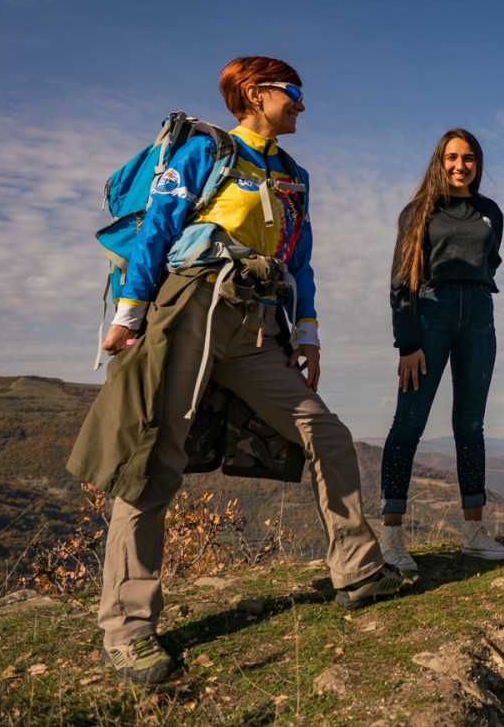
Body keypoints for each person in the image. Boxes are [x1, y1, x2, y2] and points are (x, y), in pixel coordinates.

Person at [71, 56, 404, 686]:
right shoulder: (205, 150)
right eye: (292, 91)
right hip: (191, 309)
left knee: (326, 435)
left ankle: (359, 571)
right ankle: (127, 629)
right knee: (152, 459)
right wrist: (129, 312)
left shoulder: (293, 174)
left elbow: (299, 258)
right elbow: (160, 227)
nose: (301, 103)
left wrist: (307, 334)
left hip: (257, 326)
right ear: (253, 93)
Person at [380, 128, 504, 571]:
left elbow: (490, 261)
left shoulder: (490, 212)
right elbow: (402, 277)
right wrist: (408, 342)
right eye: (452, 157)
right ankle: (391, 537)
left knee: (470, 426)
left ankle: (474, 533)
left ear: (478, 163)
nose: (460, 166)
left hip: (479, 315)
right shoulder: (418, 211)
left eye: (469, 158)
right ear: (440, 162)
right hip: (430, 313)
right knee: (408, 423)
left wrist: (471, 294)